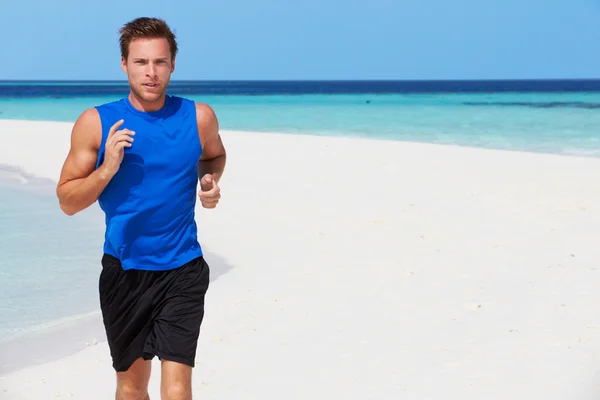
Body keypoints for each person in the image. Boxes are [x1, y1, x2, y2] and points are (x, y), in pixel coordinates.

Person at [56, 17, 226, 400]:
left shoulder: (199, 117)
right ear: (124, 65)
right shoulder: (96, 123)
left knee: (178, 389)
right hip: (125, 272)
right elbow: (68, 201)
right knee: (131, 389)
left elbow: (214, 155)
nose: (151, 73)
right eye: (141, 62)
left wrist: (209, 182)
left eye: (160, 62)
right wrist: (107, 169)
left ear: (172, 65)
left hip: (183, 268)